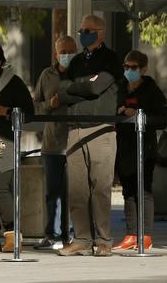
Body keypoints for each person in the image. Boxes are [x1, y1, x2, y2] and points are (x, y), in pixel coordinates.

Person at [56, 14, 120, 257]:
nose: (83, 33)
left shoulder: (111, 59)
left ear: (101, 32)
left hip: (101, 129)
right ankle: (82, 238)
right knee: (77, 188)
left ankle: (104, 239)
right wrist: (82, 87)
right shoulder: (76, 61)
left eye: (88, 30)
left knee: (100, 187)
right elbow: (62, 91)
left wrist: (77, 88)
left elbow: (98, 86)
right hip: (75, 128)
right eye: (81, 29)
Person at [113, 50, 167, 250]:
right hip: (123, 146)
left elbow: (163, 118)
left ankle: (145, 235)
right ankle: (131, 234)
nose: (129, 70)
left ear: (144, 69)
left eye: (134, 67)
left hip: (145, 147)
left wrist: (138, 114)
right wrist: (118, 111)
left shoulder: (151, 89)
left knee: (143, 190)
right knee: (128, 191)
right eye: (126, 67)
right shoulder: (119, 87)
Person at [0, 41, 34, 252]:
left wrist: (5, 111)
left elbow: (29, 112)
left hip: (3, 138)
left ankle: (14, 233)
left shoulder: (13, 82)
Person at [32, 35, 77, 250]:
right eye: (63, 52)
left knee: (76, 191)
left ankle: (75, 234)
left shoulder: (82, 73)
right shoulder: (47, 75)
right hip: (52, 142)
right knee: (53, 191)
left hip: (77, 140)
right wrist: (49, 104)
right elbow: (36, 104)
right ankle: (52, 234)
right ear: (55, 53)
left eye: (71, 51)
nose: (67, 55)